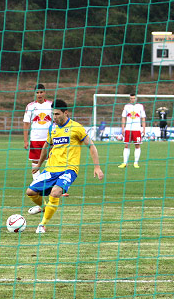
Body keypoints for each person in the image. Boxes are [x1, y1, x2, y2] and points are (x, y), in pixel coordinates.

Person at [25, 99, 104, 234]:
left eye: (57, 114)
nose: (54, 117)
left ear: (65, 113)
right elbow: (46, 147)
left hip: (69, 169)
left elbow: (91, 146)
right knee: (30, 192)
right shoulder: (52, 128)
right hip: (51, 169)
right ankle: (45, 207)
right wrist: (39, 164)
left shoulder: (76, 128)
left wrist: (97, 167)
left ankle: (42, 224)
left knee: (56, 192)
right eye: (53, 114)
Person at [23, 84, 53, 180]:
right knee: (35, 162)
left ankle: (51, 181)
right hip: (35, 139)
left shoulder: (51, 105)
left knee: (51, 161)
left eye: (41, 92)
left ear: (45, 92)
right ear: (35, 94)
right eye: (37, 92)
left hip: (48, 139)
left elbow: (56, 121)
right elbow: (26, 123)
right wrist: (25, 141)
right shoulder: (30, 106)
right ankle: (36, 181)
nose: (39, 94)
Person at [118, 93, 146, 168]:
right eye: (131, 98)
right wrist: (123, 128)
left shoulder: (140, 106)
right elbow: (123, 117)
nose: (132, 100)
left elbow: (143, 118)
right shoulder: (127, 106)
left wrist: (143, 128)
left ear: (136, 99)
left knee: (137, 145)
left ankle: (136, 163)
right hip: (128, 129)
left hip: (137, 129)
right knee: (126, 145)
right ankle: (124, 163)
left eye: (134, 98)